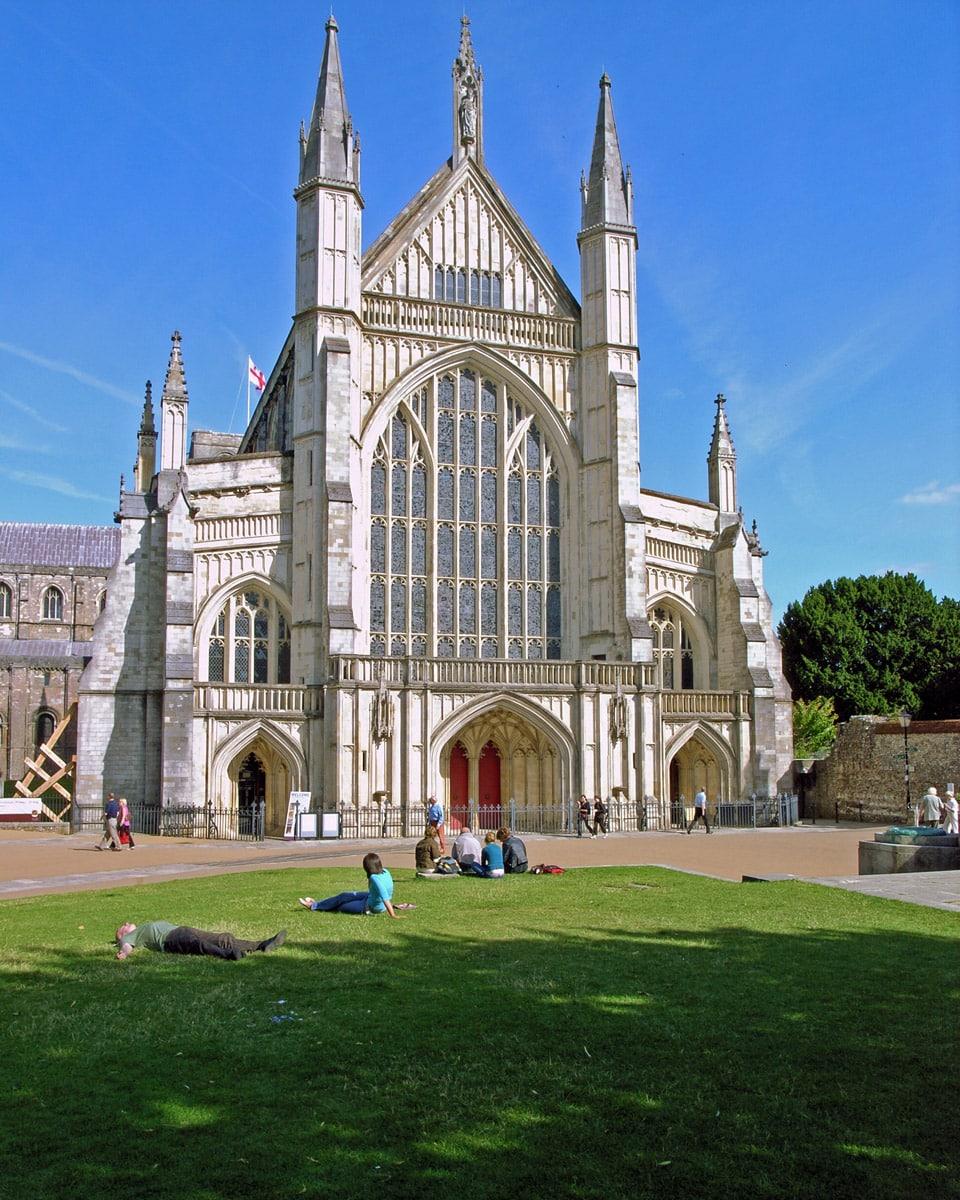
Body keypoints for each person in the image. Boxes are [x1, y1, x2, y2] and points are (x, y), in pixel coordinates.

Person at [299, 851, 404, 917]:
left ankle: (314, 906)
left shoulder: (374, 878)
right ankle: (316, 904)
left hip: (372, 907)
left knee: (342, 906)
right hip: (370, 898)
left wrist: (393, 915)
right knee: (343, 895)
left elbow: (385, 897)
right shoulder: (385, 871)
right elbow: (375, 891)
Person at [115, 921, 286, 960]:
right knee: (199, 945)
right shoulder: (131, 937)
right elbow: (127, 947)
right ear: (122, 935)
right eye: (123, 926)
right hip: (171, 940)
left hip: (181, 930)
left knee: (222, 937)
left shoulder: (140, 928)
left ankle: (262, 945)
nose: (126, 923)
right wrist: (123, 953)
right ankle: (229, 955)